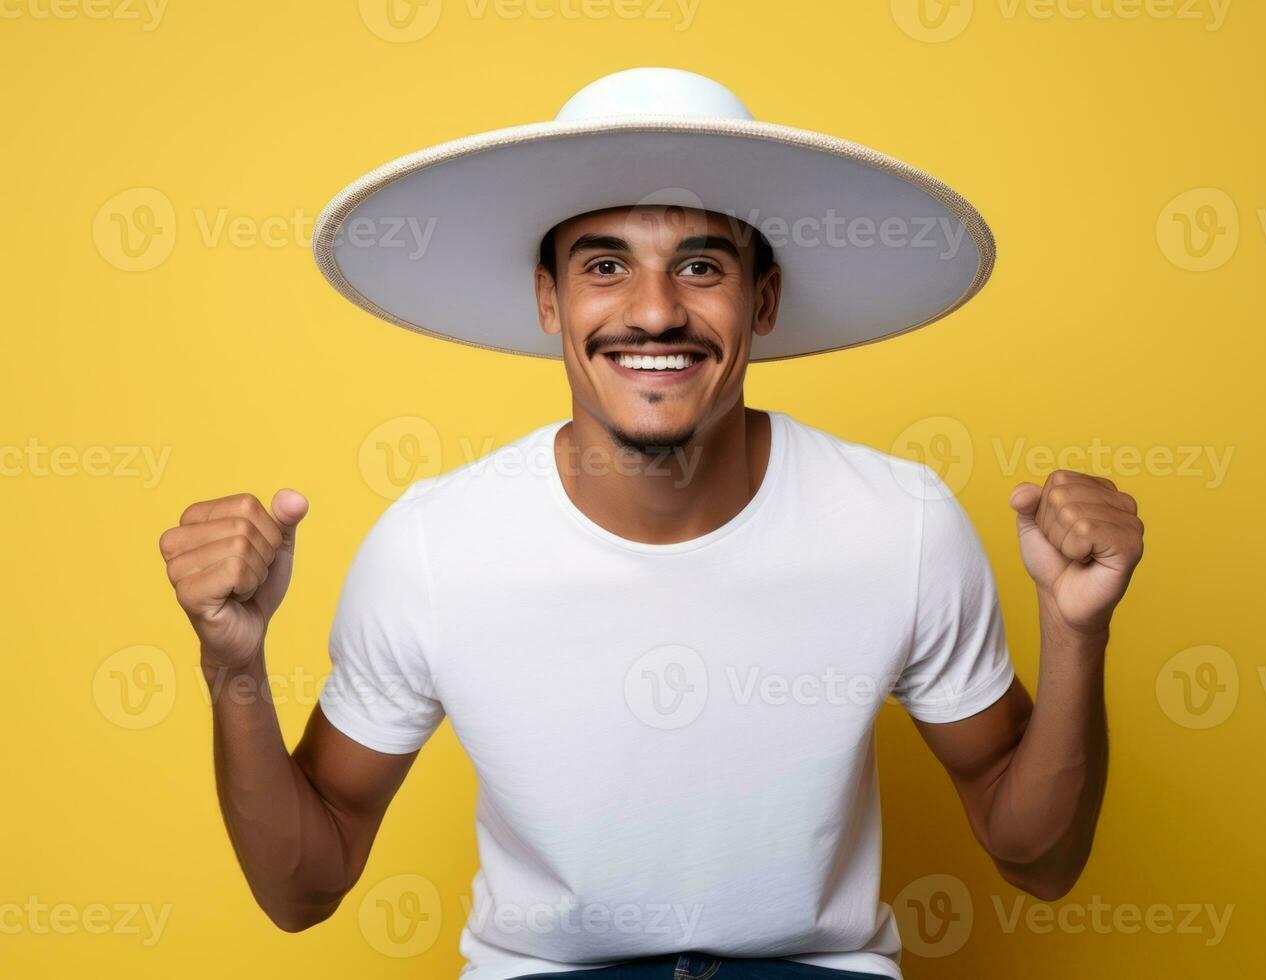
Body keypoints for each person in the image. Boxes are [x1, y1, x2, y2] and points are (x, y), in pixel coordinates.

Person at [158, 69, 1144, 979]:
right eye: (604, 265)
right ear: (549, 300)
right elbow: (301, 888)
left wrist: (1075, 629)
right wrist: (233, 669)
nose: (654, 310)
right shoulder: (434, 544)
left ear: (761, 301)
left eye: (701, 265)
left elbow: (1039, 860)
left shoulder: (899, 521)